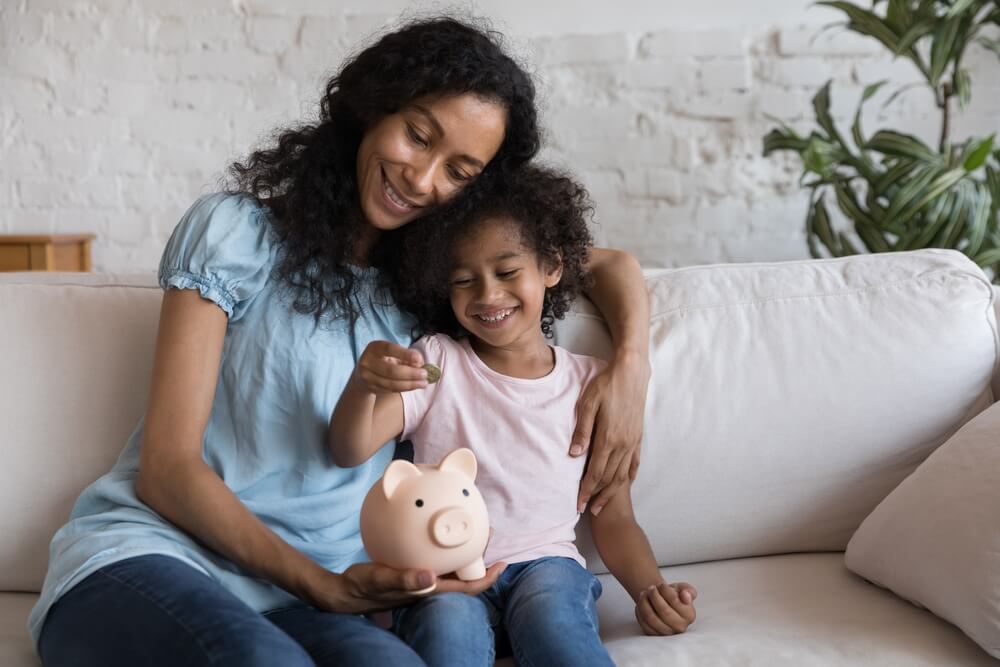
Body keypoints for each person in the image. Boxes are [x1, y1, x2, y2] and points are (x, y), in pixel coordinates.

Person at [29, 16, 654, 667]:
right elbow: (166, 469)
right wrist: (320, 581)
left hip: (306, 601)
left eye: (459, 171)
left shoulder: (435, 290)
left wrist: (631, 364)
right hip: (148, 556)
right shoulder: (233, 233)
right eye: (418, 135)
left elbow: (606, 265)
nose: (422, 179)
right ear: (372, 106)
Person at [331, 165, 697, 666]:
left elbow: (613, 516)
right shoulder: (438, 362)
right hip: (448, 570)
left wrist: (649, 588)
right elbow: (349, 448)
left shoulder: (591, 385)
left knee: (558, 629)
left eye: (507, 273)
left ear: (551, 266)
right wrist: (361, 386)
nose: (487, 295)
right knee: (446, 634)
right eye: (463, 280)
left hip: (547, 565)